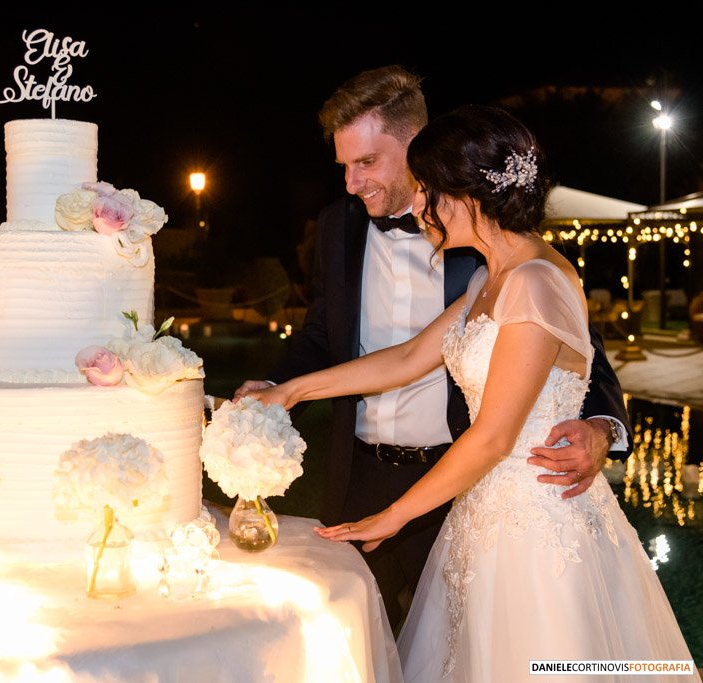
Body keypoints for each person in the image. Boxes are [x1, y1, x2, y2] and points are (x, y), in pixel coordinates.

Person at [248, 105, 698, 681]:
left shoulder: (535, 281)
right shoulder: (494, 275)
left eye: (428, 190)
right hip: (481, 516)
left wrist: (392, 516)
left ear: (466, 196)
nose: (417, 204)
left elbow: (492, 438)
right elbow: (409, 357)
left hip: (535, 525)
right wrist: (288, 392)